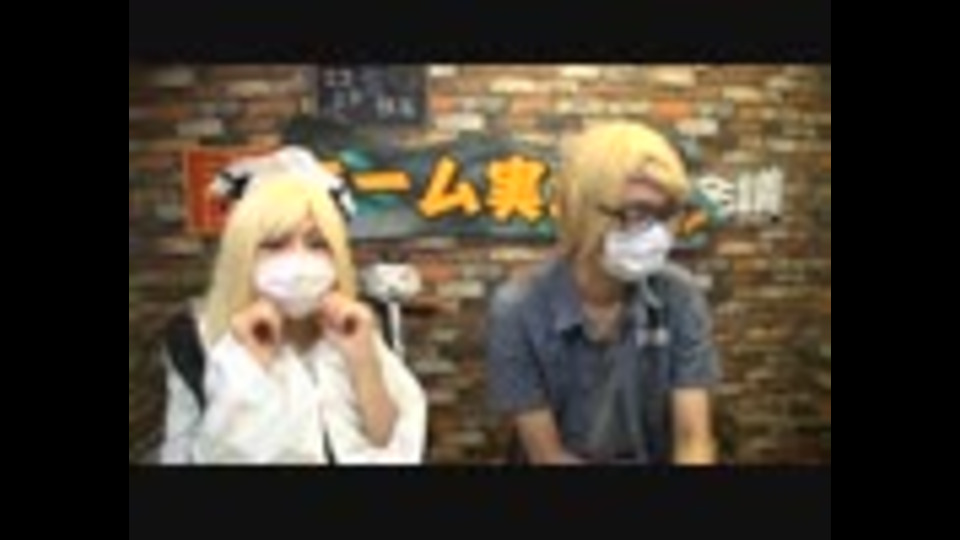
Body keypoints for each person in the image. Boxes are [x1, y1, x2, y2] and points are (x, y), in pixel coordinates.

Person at [157, 148, 427, 464]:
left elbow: (387, 439)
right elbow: (189, 454)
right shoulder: (194, 338)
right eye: (274, 244)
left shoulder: (353, 324)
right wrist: (250, 369)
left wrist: (363, 361)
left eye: (317, 244)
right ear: (242, 255)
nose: (298, 261)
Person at [484, 121, 721, 465]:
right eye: (637, 212)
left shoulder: (680, 296)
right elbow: (547, 455)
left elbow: (693, 439)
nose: (655, 234)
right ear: (583, 211)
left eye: (666, 214)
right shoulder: (518, 308)